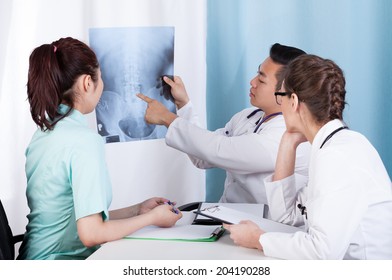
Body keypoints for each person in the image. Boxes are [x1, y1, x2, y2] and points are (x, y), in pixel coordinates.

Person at [17, 37, 182, 260]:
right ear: (87, 83)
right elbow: (92, 234)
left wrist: (138, 210)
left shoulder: (43, 134)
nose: (102, 85)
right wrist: (153, 219)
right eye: (101, 77)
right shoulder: (84, 142)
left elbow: (76, 221)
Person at [223, 54, 392, 259]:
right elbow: (286, 216)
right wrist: (288, 143)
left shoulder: (337, 155)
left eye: (280, 96)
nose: (279, 105)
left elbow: (322, 252)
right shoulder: (336, 145)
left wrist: (258, 239)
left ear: (292, 101)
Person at [137, 43, 310, 204]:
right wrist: (183, 104)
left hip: (267, 228)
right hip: (229, 219)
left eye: (262, 80)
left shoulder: (290, 134)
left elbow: (219, 150)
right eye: (257, 73)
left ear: (287, 92)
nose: (252, 82)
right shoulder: (247, 117)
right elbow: (203, 156)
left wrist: (167, 118)